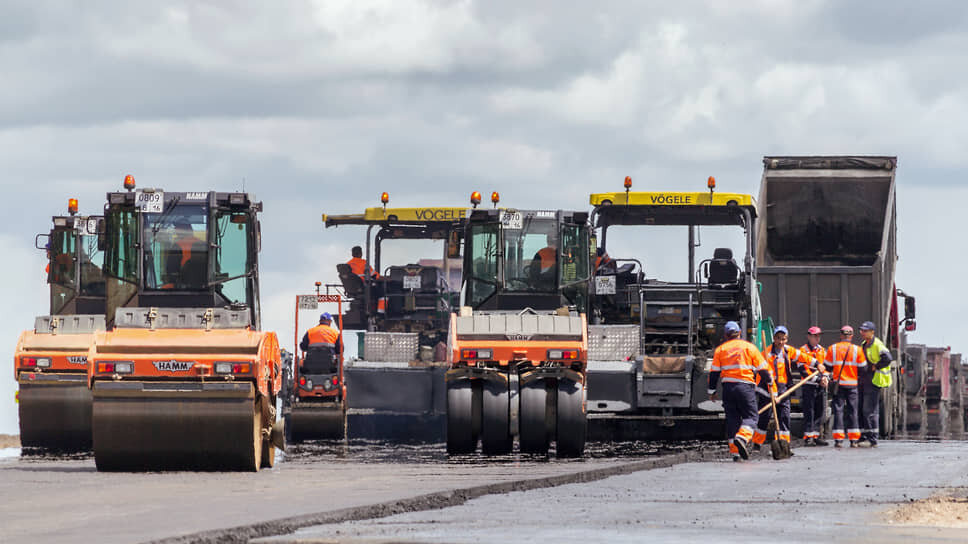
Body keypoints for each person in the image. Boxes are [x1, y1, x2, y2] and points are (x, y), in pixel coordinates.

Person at [708, 321, 773, 462]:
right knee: (752, 417)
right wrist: (770, 381)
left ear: (725, 335)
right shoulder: (750, 347)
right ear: (740, 333)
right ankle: (742, 437)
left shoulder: (720, 350)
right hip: (745, 387)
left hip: (728, 389)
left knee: (732, 419)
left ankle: (735, 453)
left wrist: (712, 391)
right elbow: (762, 369)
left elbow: (713, 373)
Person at [753, 326, 817, 452]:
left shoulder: (788, 351)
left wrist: (817, 364)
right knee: (764, 417)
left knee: (784, 416)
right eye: (778, 339)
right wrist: (774, 395)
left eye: (783, 339)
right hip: (768, 389)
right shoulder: (767, 354)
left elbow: (803, 357)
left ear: (786, 339)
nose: (781, 342)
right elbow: (769, 376)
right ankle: (757, 443)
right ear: (774, 338)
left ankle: (784, 444)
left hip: (784, 389)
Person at [825, 325, 867, 447]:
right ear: (852, 336)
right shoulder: (857, 350)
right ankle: (854, 440)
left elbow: (827, 366)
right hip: (852, 385)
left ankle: (838, 440)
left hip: (839, 385)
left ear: (841, 335)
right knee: (853, 411)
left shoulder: (833, 348)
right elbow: (864, 368)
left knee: (838, 411)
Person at [857, 321, 893, 447]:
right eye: (862, 330)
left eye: (865, 331)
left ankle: (872, 438)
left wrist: (876, 366)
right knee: (862, 410)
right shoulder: (864, 344)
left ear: (872, 332)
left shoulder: (877, 344)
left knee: (869, 410)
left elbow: (888, 358)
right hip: (865, 381)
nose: (863, 333)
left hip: (874, 381)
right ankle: (864, 436)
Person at [800, 326, 830, 446]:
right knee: (809, 411)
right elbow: (803, 370)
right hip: (809, 385)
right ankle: (808, 436)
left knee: (820, 410)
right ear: (809, 336)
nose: (817, 338)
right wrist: (818, 379)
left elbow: (826, 368)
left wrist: (826, 378)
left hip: (820, 385)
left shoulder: (822, 350)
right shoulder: (803, 351)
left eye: (818, 336)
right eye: (814, 336)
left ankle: (816, 435)